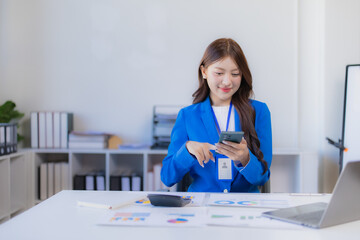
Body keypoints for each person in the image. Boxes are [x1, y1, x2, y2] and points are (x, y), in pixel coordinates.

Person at [161, 38, 272, 192]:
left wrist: (245, 159)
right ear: (204, 72)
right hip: (201, 207)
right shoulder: (188, 116)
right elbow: (167, 177)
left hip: (245, 207)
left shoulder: (259, 111)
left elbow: (262, 177)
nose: (227, 81)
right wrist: (186, 150)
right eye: (219, 73)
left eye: (235, 73)